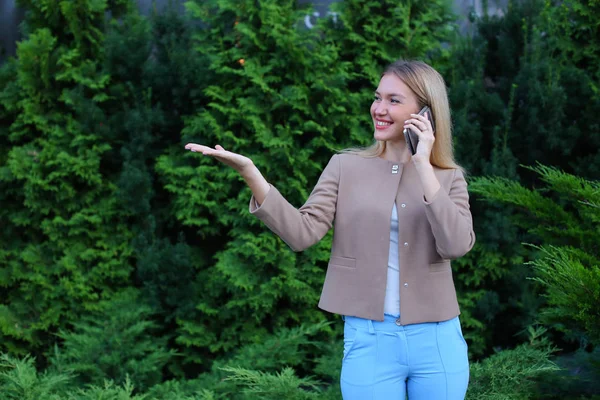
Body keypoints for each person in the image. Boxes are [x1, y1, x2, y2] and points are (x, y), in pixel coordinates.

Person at [185, 59, 475, 400]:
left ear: (425, 113)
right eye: (377, 97)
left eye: (394, 101)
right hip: (369, 339)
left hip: (438, 340)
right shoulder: (345, 166)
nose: (379, 109)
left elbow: (456, 244)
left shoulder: (448, 176)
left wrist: (424, 165)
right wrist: (251, 173)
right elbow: (302, 234)